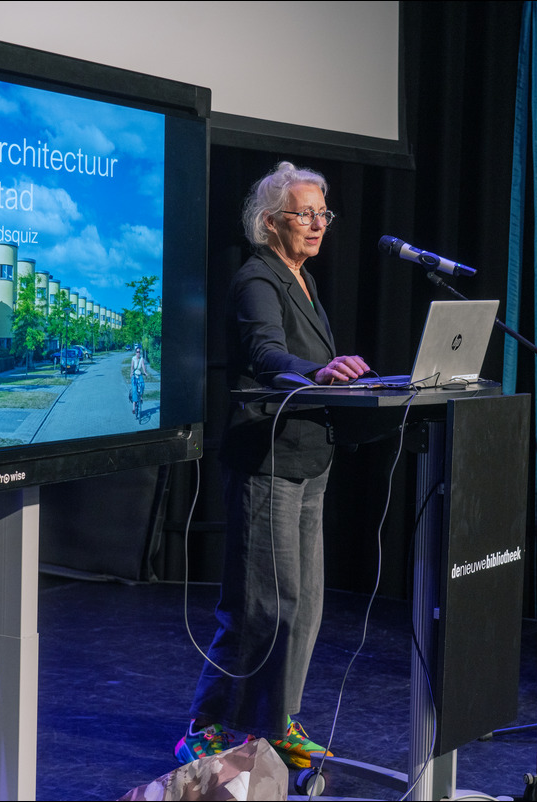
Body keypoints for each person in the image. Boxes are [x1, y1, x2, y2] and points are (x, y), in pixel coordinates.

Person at [174, 161, 370, 768]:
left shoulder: (302, 278)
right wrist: (319, 371)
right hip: (267, 457)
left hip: (310, 455)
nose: (317, 224)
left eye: (323, 213)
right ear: (270, 222)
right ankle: (204, 727)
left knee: (304, 605)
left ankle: (275, 721)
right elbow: (265, 353)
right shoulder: (257, 278)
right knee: (261, 605)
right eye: (304, 213)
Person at [130, 344, 149, 416]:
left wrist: (145, 372)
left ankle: (141, 397)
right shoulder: (133, 358)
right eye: (137, 352)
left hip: (139, 375)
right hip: (134, 375)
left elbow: (143, 366)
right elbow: (132, 366)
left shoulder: (141, 359)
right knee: (134, 389)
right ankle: (134, 408)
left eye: (139, 352)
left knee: (142, 385)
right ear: (135, 352)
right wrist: (131, 372)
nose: (138, 353)